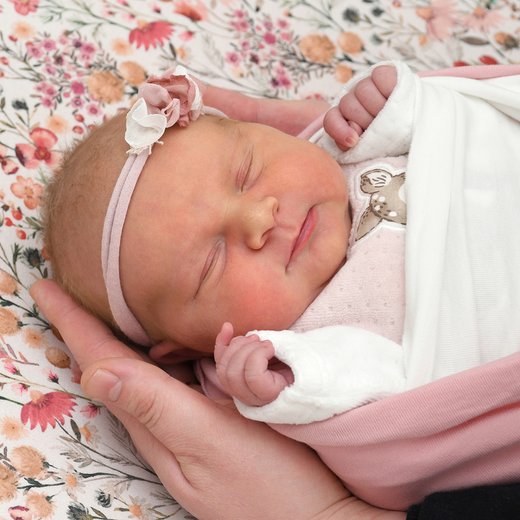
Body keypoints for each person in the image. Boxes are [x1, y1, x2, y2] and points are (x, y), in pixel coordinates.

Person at [40, 60, 520, 510]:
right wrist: (285, 387)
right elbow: (367, 401)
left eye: (246, 173)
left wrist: (391, 104)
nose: (259, 218)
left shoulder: (347, 146)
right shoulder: (300, 347)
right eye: (211, 263)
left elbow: (449, 118)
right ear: (185, 349)